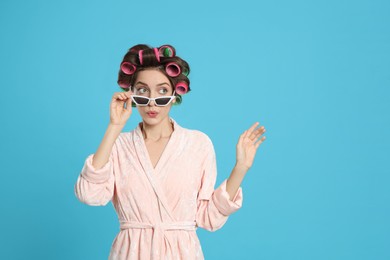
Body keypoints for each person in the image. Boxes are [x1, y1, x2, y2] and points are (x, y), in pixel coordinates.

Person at [74, 44, 266, 260]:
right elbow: (89, 194)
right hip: (130, 253)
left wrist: (240, 168)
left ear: (175, 95)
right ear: (131, 94)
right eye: (143, 91)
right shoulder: (119, 145)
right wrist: (114, 126)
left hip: (182, 253)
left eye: (162, 91)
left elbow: (208, 217)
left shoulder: (197, 144)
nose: (152, 102)